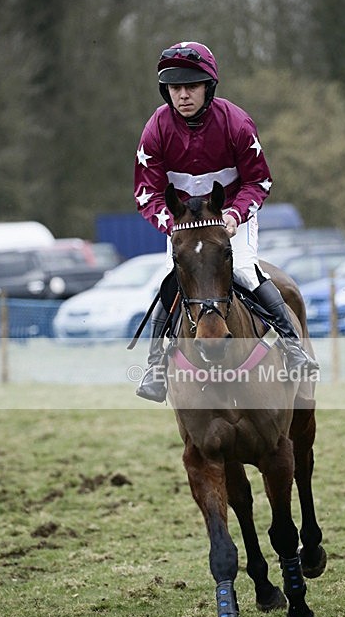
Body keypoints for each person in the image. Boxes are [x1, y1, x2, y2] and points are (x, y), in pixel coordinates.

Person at [134, 41, 318, 402]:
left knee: (246, 270)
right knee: (167, 281)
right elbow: (147, 193)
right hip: (184, 223)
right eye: (175, 88)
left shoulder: (236, 122)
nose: (183, 95)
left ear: (208, 87)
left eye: (191, 87)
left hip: (231, 215)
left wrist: (234, 215)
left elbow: (258, 181)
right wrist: (168, 223)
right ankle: (156, 365)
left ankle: (293, 347)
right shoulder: (155, 129)